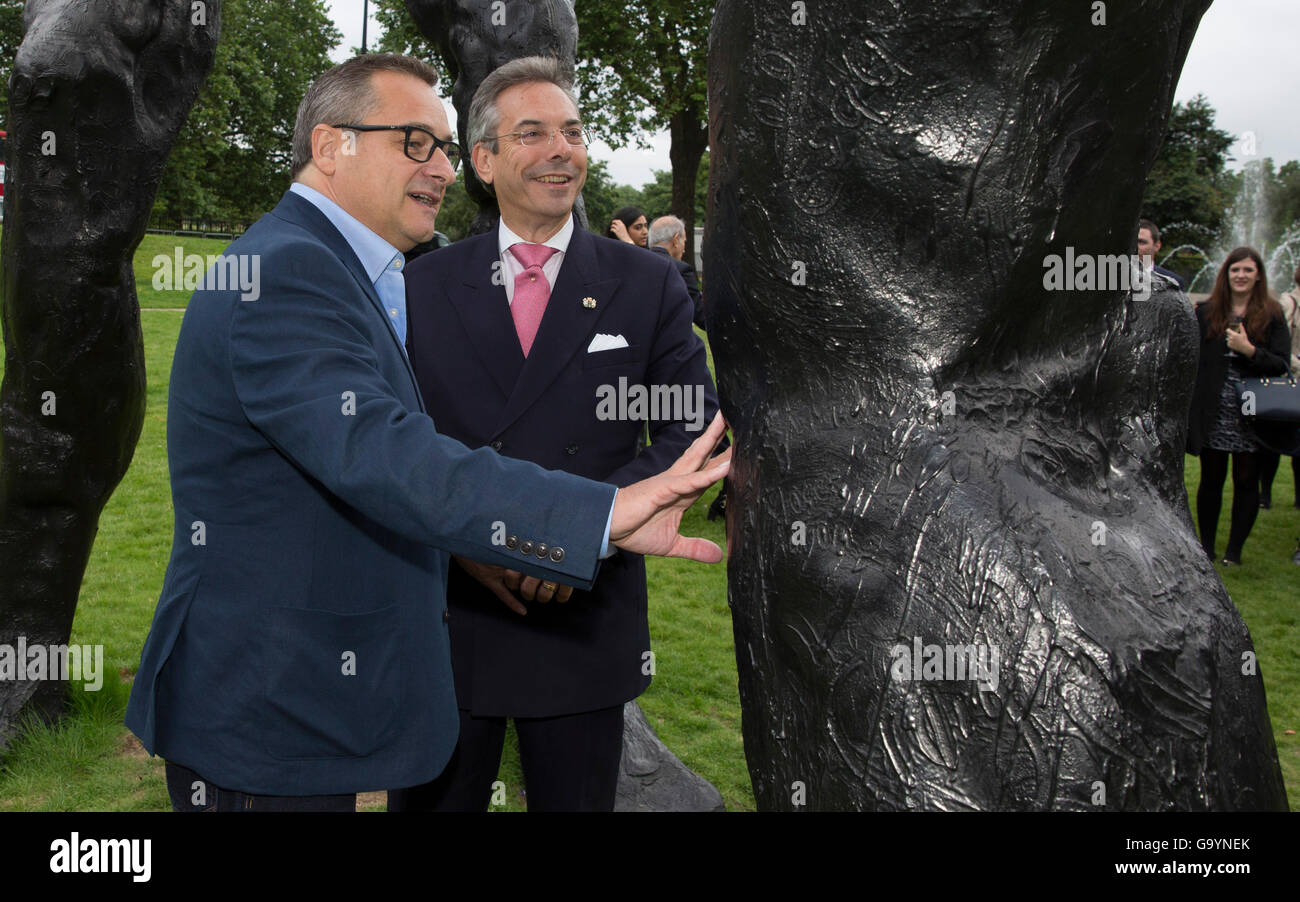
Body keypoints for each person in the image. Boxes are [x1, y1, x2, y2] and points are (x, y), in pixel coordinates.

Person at [123, 54, 730, 812]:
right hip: (270, 704)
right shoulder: (293, 271)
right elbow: (387, 451)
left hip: (312, 697)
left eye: (441, 147)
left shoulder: (344, 270)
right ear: (329, 147)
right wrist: (595, 515)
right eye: (416, 142)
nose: (440, 168)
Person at [394, 56, 720, 812]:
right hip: (452, 609)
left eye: (572, 132)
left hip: (585, 615)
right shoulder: (421, 284)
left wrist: (578, 532)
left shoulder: (645, 283)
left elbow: (689, 428)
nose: (560, 149)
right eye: (532, 133)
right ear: (483, 160)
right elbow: (390, 440)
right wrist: (466, 541)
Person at [1186, 246, 1291, 565]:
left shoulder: (1272, 314)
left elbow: (1281, 364)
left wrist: (1249, 350)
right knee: (1211, 479)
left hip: (1253, 412)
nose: (1241, 275)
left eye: (1247, 270)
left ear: (1258, 274)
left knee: (1247, 480)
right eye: (1235, 270)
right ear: (1226, 274)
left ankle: (1234, 552)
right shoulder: (1206, 312)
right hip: (1215, 409)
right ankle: (1206, 547)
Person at [1257, 261, 1300, 510]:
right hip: (1287, 379)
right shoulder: (1288, 303)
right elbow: (1279, 345)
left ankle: (1298, 497)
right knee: (1275, 439)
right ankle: (1265, 494)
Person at [648, 214, 705, 330]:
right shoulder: (680, 269)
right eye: (684, 241)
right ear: (675, 240)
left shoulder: (636, 263)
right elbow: (701, 316)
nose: (684, 249)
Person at [1137, 218, 1186, 291]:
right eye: (1132, 241)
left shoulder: (1173, 282)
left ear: (1157, 246)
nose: (1134, 247)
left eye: (1141, 242)